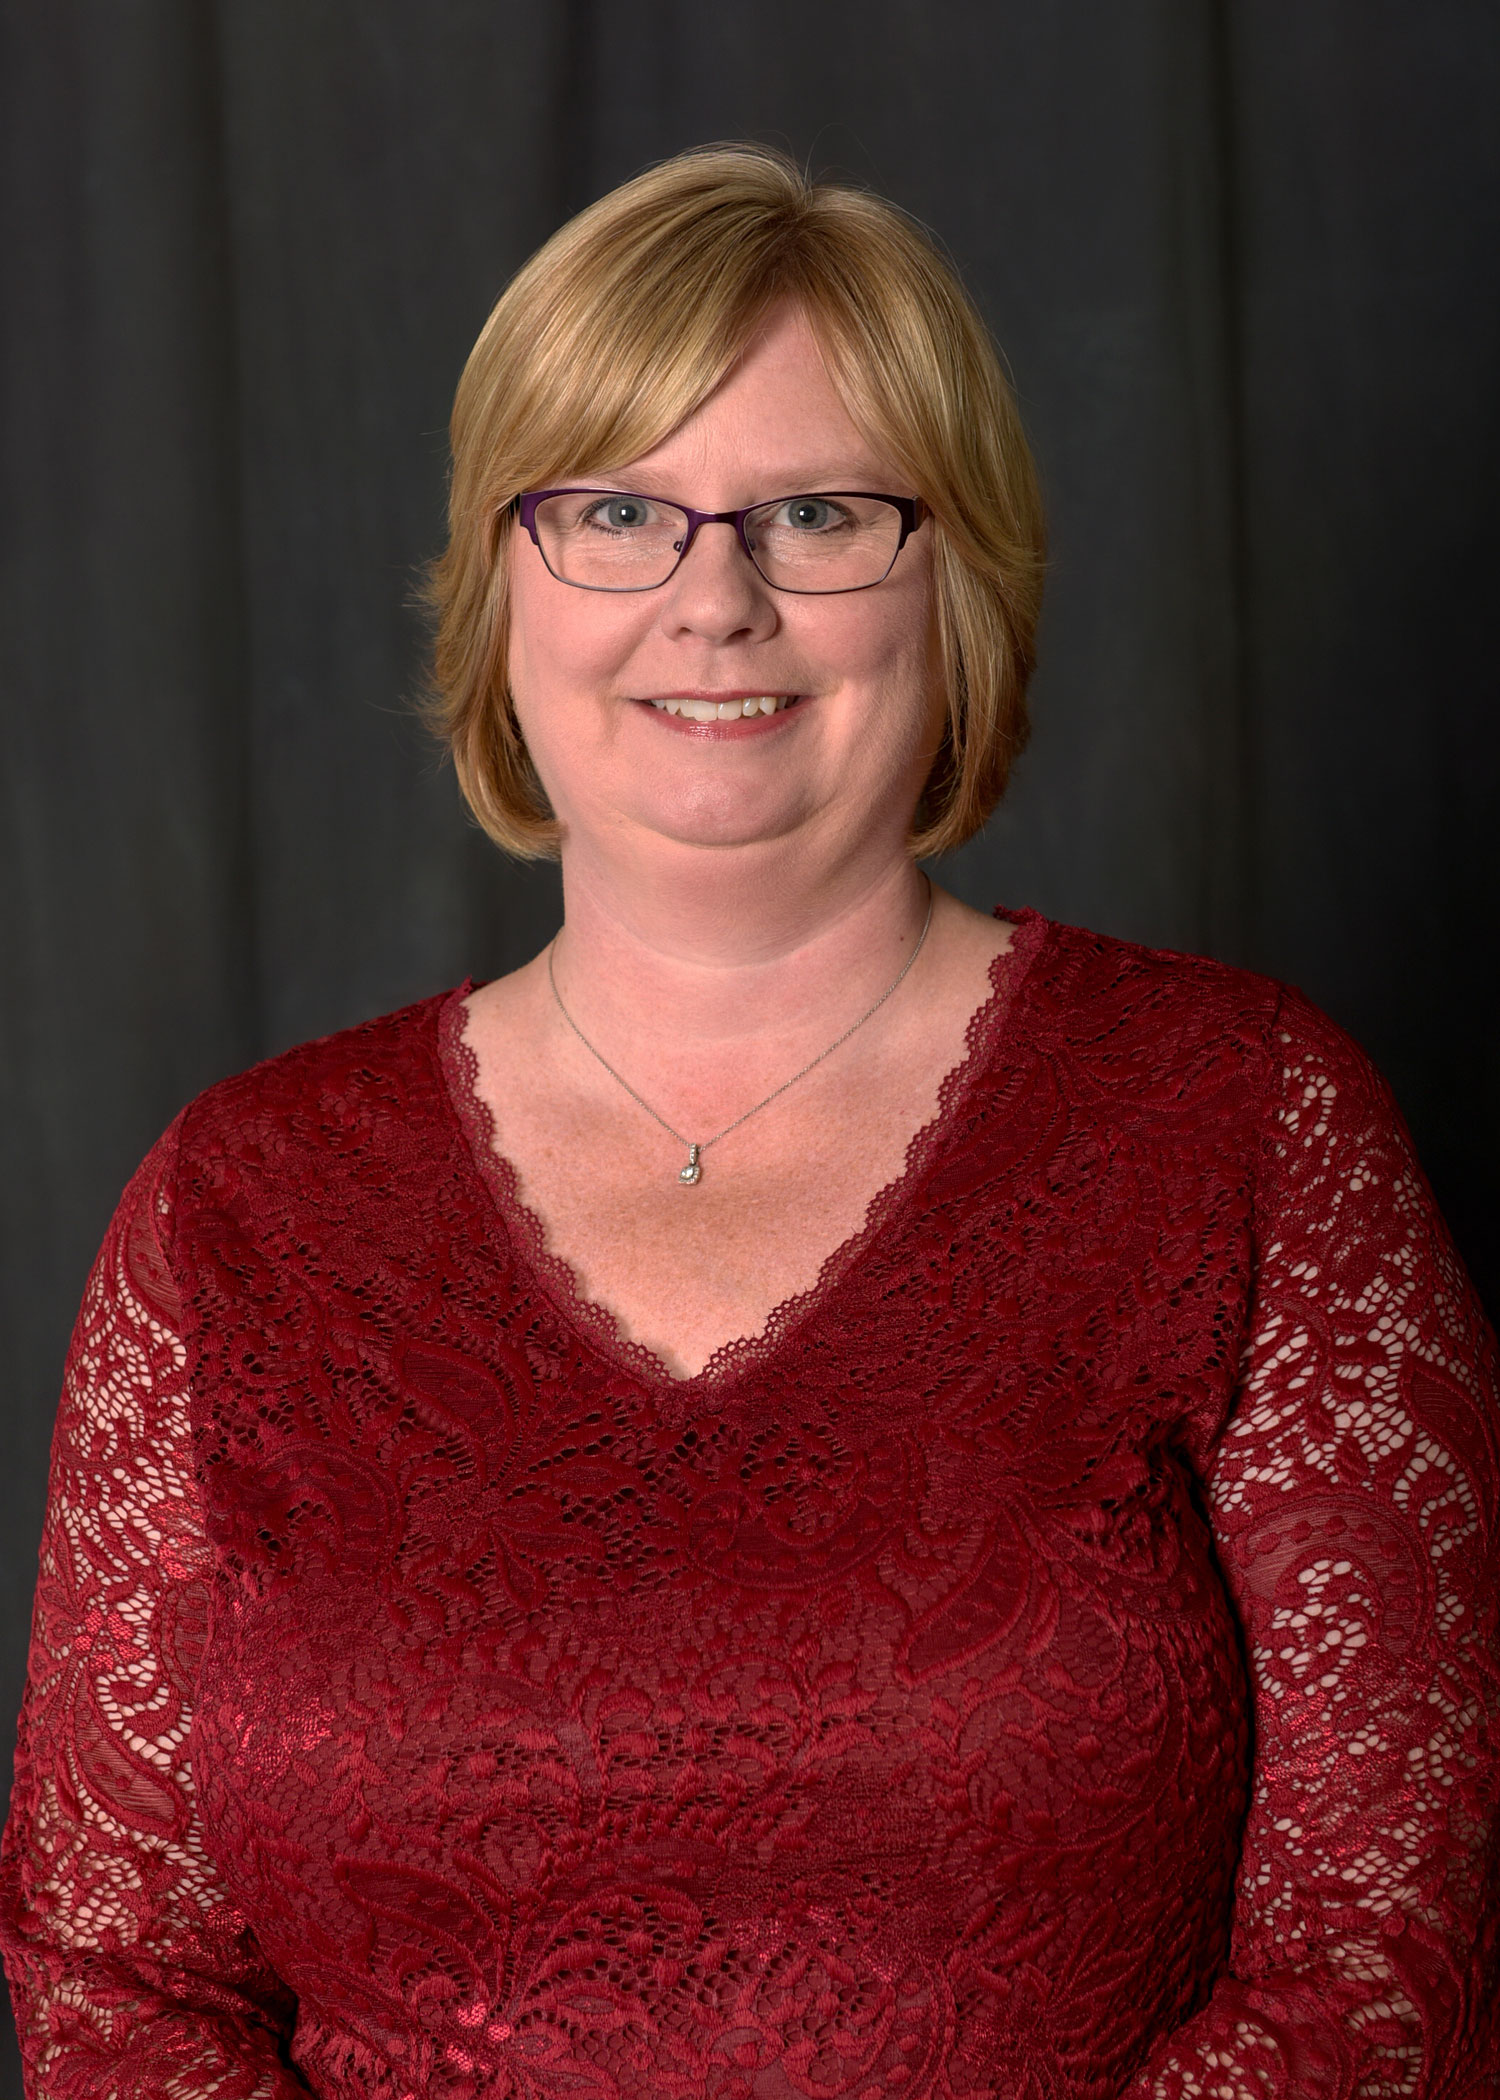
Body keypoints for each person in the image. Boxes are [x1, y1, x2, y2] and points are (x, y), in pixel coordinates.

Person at [1, 142, 1495, 2100]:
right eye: (616, 508)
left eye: (814, 513)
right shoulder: (236, 1204)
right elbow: (118, 1978)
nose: (716, 599)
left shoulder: (1253, 1128)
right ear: (499, 586)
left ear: (955, 576)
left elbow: (1391, 1955)